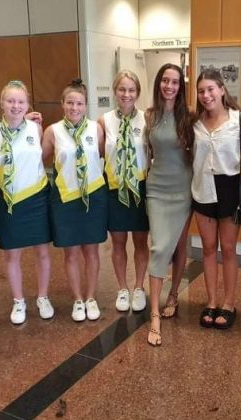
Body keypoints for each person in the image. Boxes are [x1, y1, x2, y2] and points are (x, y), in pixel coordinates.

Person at [0, 80, 54, 325]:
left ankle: (43, 296)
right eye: (11, 101)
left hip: (37, 197)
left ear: (28, 105)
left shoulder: (36, 130)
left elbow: (43, 157)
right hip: (10, 200)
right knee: (12, 255)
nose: (16, 106)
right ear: (1, 104)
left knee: (43, 252)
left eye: (21, 101)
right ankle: (18, 301)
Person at [42, 79, 108, 322]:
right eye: (70, 103)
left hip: (94, 196)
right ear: (62, 104)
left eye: (79, 103)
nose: (74, 108)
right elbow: (36, 158)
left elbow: (102, 154)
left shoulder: (95, 129)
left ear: (85, 105)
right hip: (65, 198)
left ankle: (91, 297)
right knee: (70, 253)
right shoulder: (53, 131)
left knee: (91, 251)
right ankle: (78, 300)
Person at [192, 69, 241, 329]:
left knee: (228, 249)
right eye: (202, 91)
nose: (206, 95)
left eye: (210, 89)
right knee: (207, 249)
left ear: (222, 90)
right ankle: (212, 301)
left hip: (230, 188)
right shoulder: (193, 123)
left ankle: (228, 303)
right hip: (202, 188)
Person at [145, 63, 194, 346]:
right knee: (159, 246)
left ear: (181, 87)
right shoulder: (149, 115)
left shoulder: (188, 117)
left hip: (182, 189)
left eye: (175, 82)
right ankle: (154, 314)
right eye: (165, 80)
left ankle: (174, 293)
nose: (169, 86)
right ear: (159, 83)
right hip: (157, 188)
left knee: (178, 244)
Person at [99, 70, 149, 313]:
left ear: (138, 93)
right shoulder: (104, 120)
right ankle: (122, 288)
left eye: (131, 90)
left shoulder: (147, 119)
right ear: (115, 91)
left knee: (141, 241)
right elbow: (95, 153)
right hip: (115, 187)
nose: (126, 94)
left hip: (139, 187)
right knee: (118, 242)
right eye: (122, 89)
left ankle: (139, 287)